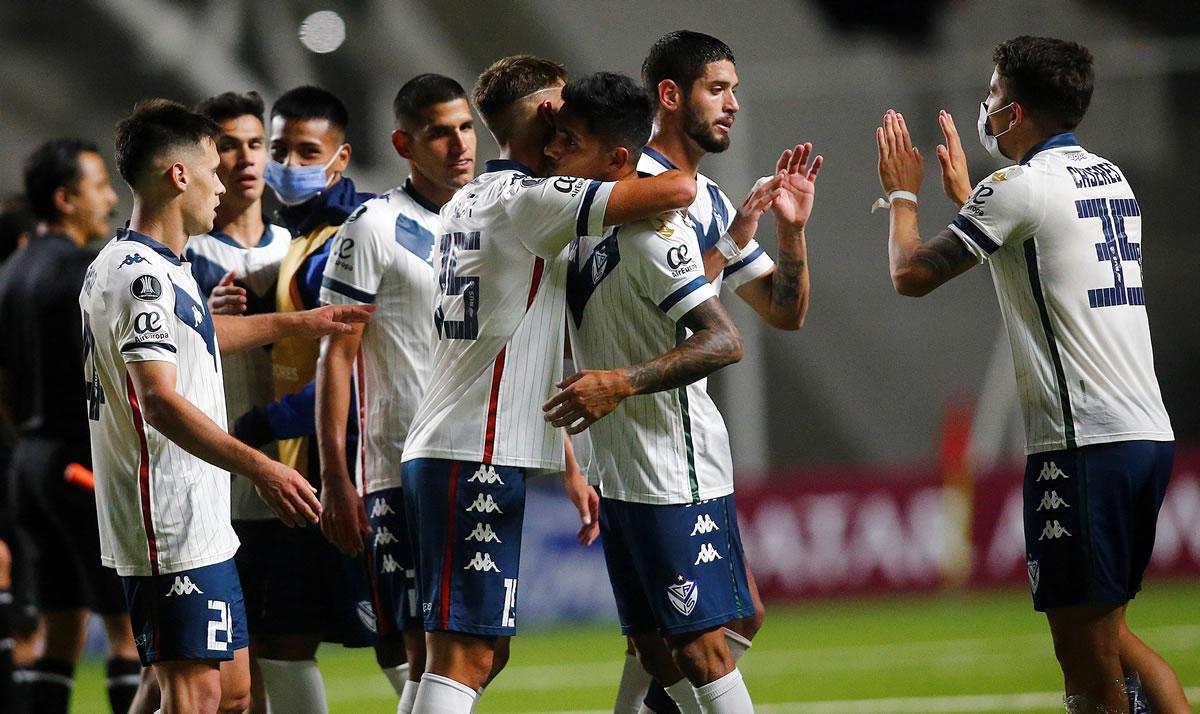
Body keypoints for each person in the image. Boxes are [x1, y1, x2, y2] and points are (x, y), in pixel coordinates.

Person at [873, 35, 1184, 714]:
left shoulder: (1019, 188)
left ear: (1014, 113)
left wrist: (901, 194)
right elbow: (1037, 255)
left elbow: (909, 275)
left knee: (1086, 667)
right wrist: (971, 198)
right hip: (1143, 437)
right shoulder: (1109, 177)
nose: (984, 109)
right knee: (1113, 638)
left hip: (1082, 449)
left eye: (991, 96)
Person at [398, 54, 699, 713]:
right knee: (467, 656)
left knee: (454, 655)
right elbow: (677, 189)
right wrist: (623, 147)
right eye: (566, 114)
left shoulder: (467, 199)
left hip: (449, 442)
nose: (573, 124)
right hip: (473, 450)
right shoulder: (535, 198)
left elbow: (516, 332)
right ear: (544, 116)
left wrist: (565, 460)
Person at [79, 98, 370, 713]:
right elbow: (158, 400)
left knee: (235, 695)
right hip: (166, 519)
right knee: (196, 697)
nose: (223, 183)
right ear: (179, 175)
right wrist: (261, 465)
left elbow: (201, 343)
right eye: (213, 168)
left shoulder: (162, 265)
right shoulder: (141, 277)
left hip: (203, 521)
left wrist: (304, 321)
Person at [542, 69, 772, 713]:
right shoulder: (578, 228)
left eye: (568, 141)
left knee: (702, 645)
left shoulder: (654, 237)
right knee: (649, 646)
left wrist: (621, 382)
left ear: (616, 157)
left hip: (674, 467)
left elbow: (724, 340)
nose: (554, 152)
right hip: (618, 469)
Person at [616, 29, 822, 712]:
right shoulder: (642, 194)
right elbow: (677, 322)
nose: (733, 103)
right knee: (702, 639)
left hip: (674, 445)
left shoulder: (701, 197)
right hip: (658, 448)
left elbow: (783, 311)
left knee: (673, 638)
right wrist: (731, 242)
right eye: (717, 88)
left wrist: (788, 234)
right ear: (670, 96)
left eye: (735, 89)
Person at [316, 72, 475, 713]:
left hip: (477, 460)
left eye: (466, 127)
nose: (459, 144)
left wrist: (570, 462)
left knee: (476, 647)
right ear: (404, 143)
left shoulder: (487, 221)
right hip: (398, 467)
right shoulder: (374, 225)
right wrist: (335, 475)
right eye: (440, 132)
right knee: (424, 648)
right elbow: (337, 355)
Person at [220, 85, 379, 714]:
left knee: (400, 640)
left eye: (302, 150)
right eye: (278, 146)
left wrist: (254, 425)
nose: (284, 162)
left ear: (340, 158)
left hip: (354, 465)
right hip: (304, 465)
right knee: (282, 638)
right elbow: (299, 344)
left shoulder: (351, 235)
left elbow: (353, 366)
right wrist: (253, 313)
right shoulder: (300, 235)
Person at [0, 138, 140, 714]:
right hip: (79, 465)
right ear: (65, 200)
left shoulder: (9, 272)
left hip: (29, 464)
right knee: (129, 631)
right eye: (99, 186)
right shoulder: (85, 271)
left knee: (59, 635)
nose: (111, 197)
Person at [181, 90, 291, 714]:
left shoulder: (299, 248)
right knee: (206, 669)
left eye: (257, 144)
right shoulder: (186, 259)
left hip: (286, 476)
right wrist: (206, 323)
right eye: (227, 144)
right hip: (215, 487)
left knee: (276, 650)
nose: (245, 158)